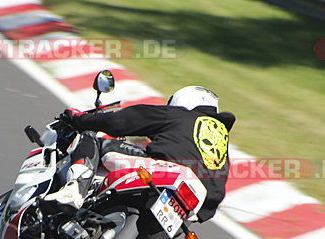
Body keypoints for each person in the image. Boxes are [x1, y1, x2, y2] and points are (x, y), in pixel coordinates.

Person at [43, 86, 236, 223]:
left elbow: (123, 121)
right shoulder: (222, 141)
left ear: (182, 102)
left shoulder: (179, 115)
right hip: (203, 200)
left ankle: (74, 190)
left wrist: (81, 118)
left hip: (168, 170)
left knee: (92, 139)